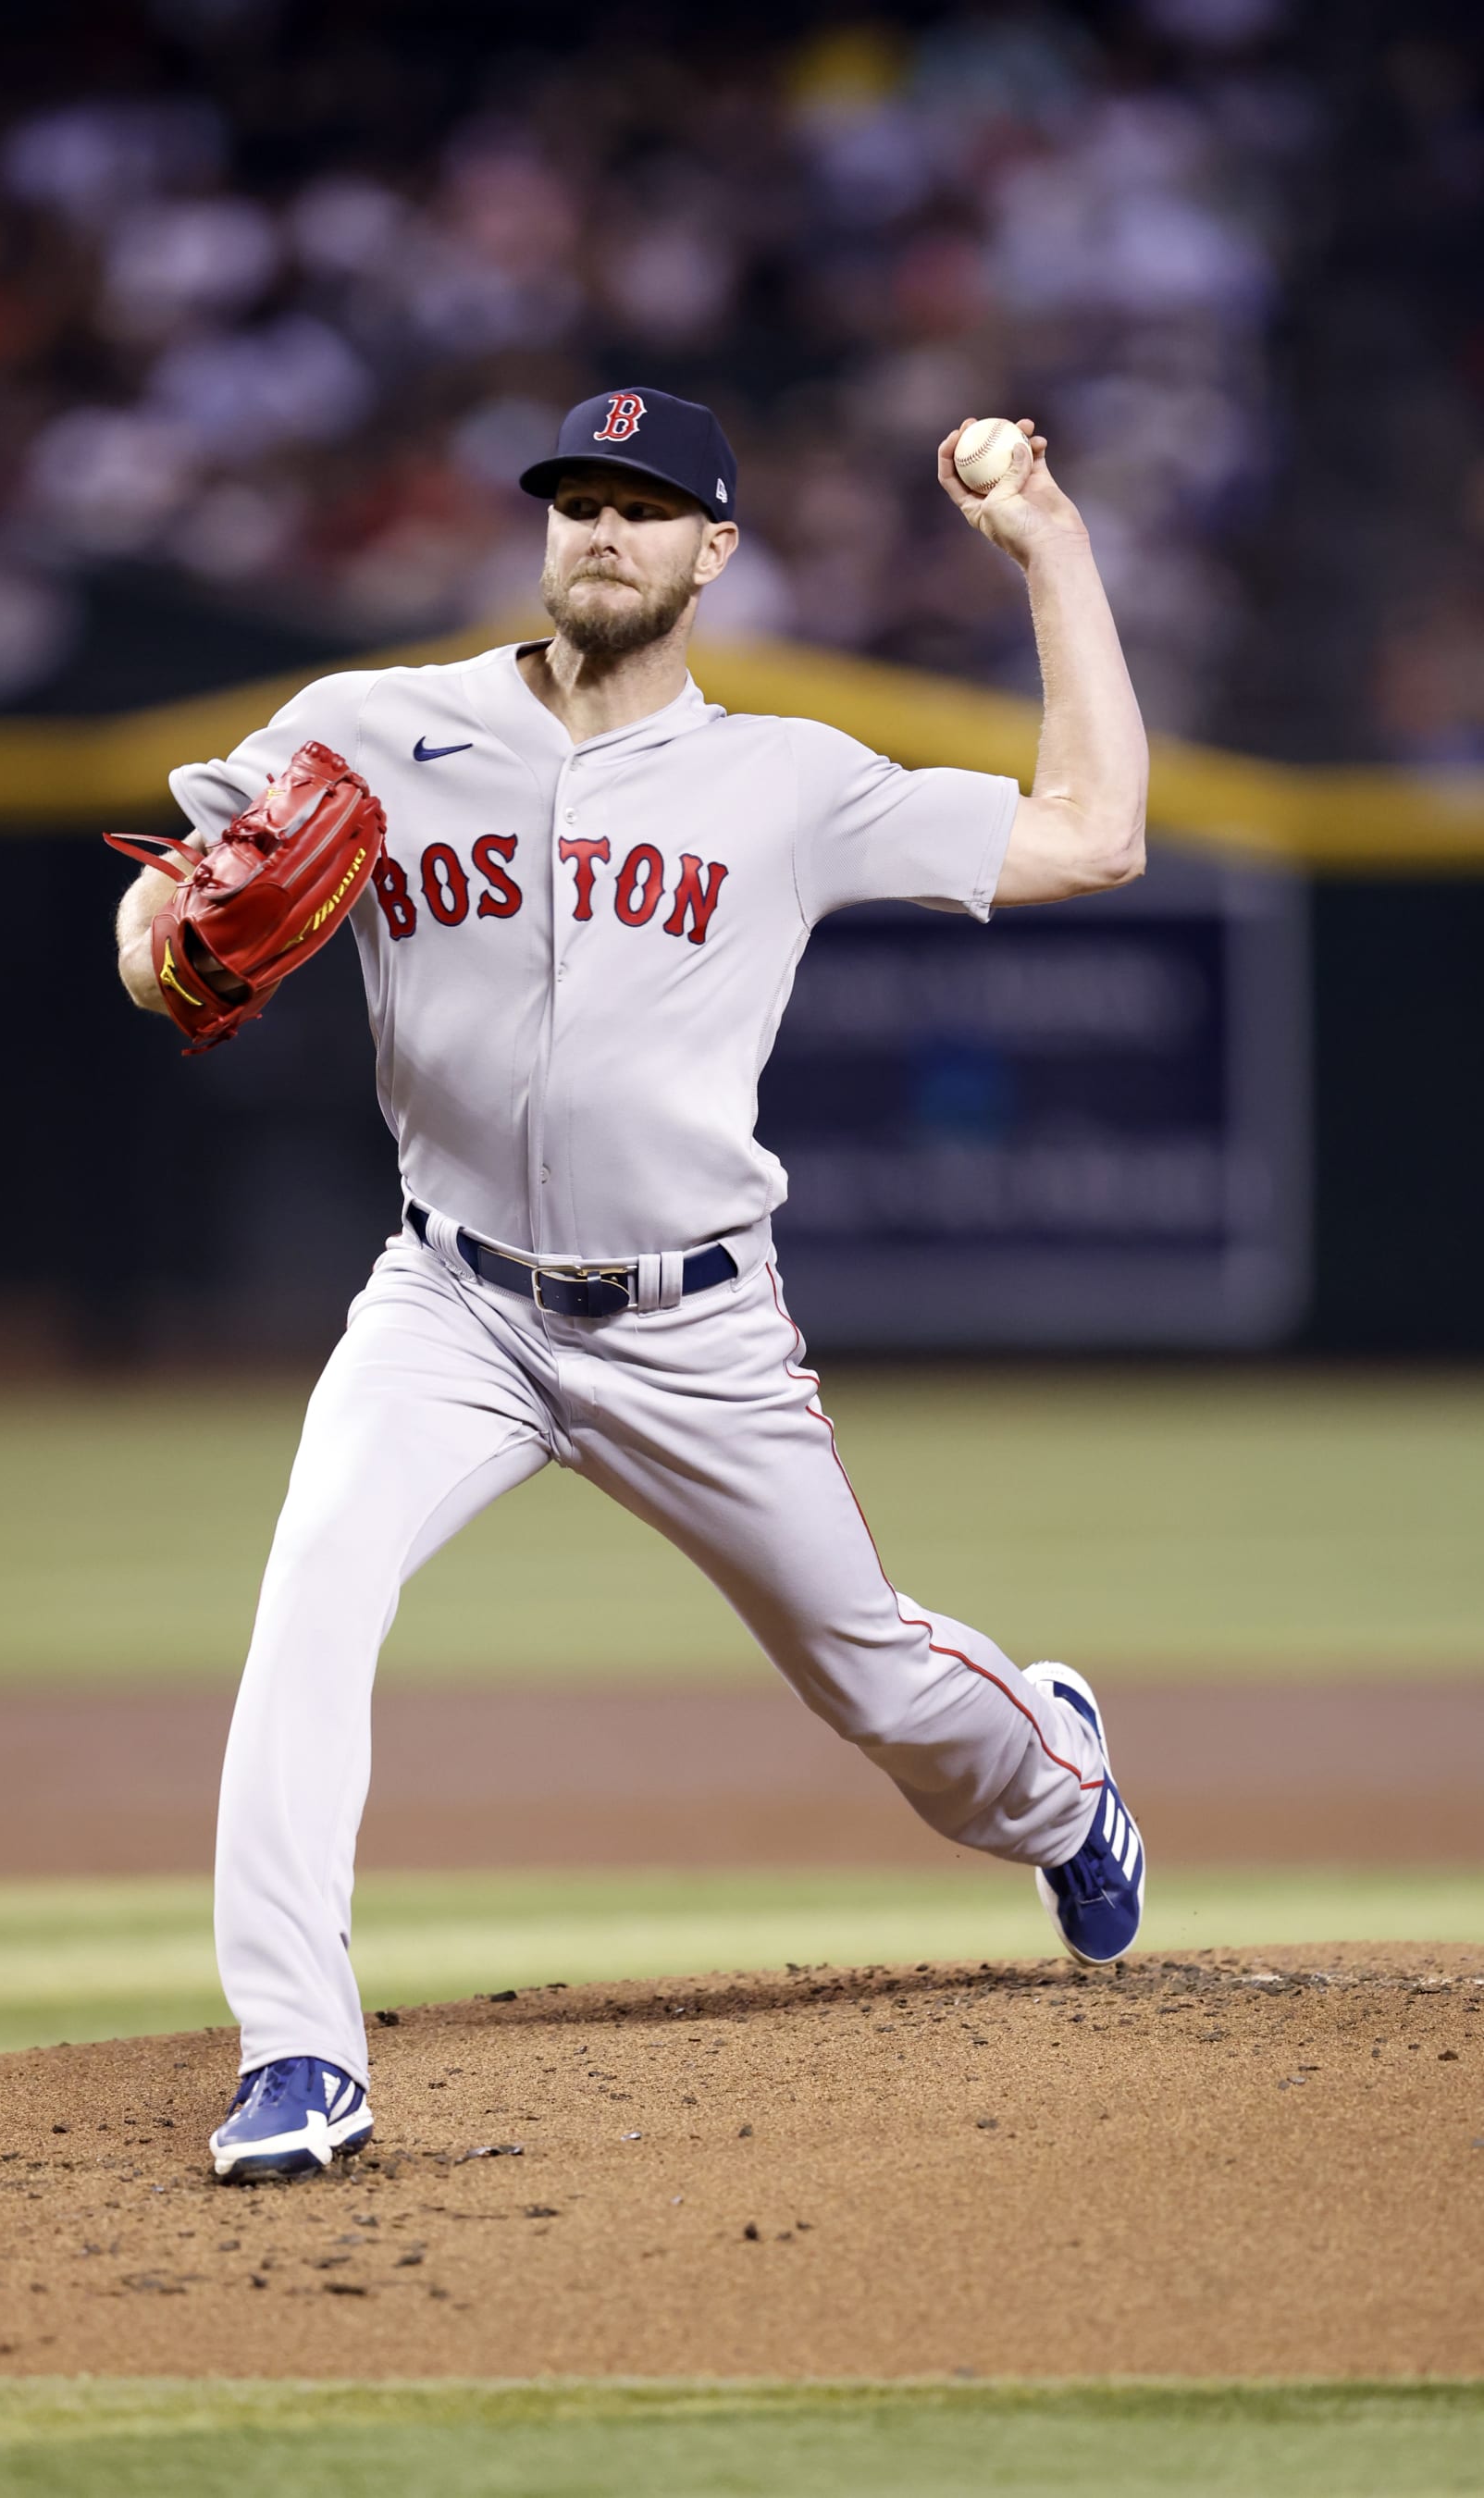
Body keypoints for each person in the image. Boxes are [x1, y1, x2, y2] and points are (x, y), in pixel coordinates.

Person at [114, 387, 1150, 2183]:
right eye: (579, 498)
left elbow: (1094, 834)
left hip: (694, 1325)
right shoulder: (369, 727)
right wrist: (166, 950)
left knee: (881, 1690)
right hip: (446, 1308)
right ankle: (298, 2053)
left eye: (647, 505)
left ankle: (1056, 1779)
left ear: (712, 553)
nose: (604, 528)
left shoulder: (789, 782)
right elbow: (159, 920)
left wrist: (1050, 547)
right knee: (307, 1618)